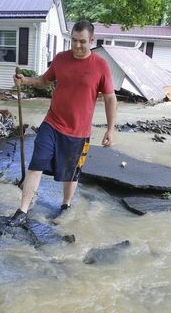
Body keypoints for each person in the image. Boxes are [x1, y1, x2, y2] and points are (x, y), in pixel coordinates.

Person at [8, 20, 117, 227]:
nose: (77, 46)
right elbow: (44, 81)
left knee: (71, 173)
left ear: (92, 41)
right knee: (36, 163)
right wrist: (26, 80)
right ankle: (22, 210)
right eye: (74, 41)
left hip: (79, 131)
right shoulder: (60, 60)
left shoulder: (101, 65)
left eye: (82, 42)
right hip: (52, 123)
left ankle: (65, 206)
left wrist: (110, 129)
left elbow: (110, 98)